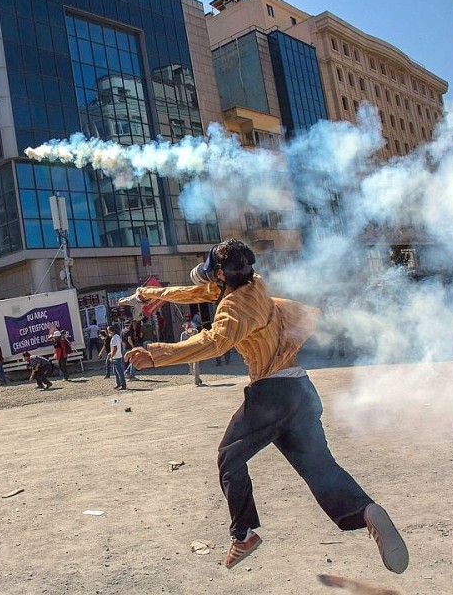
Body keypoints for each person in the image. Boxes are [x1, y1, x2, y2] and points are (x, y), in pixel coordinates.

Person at [121, 239, 408, 572]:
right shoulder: (255, 285)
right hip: (300, 389)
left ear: (219, 274)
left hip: (271, 393)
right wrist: (150, 293)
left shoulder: (231, 310)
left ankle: (243, 534)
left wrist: (156, 355)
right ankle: (364, 511)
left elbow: (214, 342)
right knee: (319, 469)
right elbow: (197, 291)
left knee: (229, 458)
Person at [179, 322, 203, 386]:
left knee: (196, 366)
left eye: (190, 328)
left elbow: (199, 340)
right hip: (188, 353)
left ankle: (196, 381)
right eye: (187, 328)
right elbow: (181, 344)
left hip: (196, 352)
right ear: (185, 329)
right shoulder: (183, 334)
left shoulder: (196, 332)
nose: (189, 329)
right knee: (192, 369)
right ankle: (198, 378)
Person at [107, 325, 126, 391]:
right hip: (117, 356)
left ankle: (123, 385)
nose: (108, 332)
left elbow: (115, 348)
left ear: (111, 331)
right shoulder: (117, 337)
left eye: (108, 331)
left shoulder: (114, 338)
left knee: (119, 372)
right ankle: (119, 384)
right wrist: (111, 353)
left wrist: (112, 356)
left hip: (116, 357)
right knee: (116, 371)